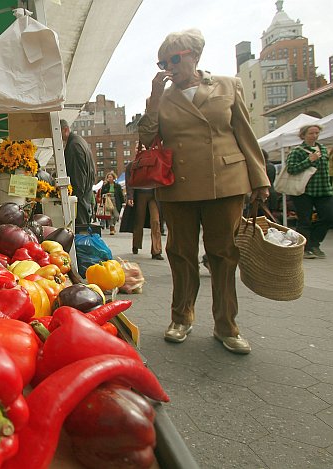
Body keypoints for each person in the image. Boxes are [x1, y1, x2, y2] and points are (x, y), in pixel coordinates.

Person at [139, 29, 269, 354]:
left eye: (175, 58)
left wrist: (260, 179)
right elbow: (146, 137)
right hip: (177, 185)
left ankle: (227, 325)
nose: (169, 65)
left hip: (225, 181)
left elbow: (245, 133)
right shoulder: (162, 98)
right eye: (163, 61)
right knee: (180, 254)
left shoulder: (228, 85)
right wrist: (154, 98)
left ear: (194, 55)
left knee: (224, 255)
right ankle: (180, 318)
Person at [285, 124, 333, 259]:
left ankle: (314, 243)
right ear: (303, 135)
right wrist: (309, 160)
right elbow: (291, 169)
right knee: (304, 221)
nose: (314, 136)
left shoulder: (323, 148)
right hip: (303, 191)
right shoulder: (297, 151)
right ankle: (305, 249)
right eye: (311, 133)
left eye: (317, 133)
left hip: (323, 190)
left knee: (329, 216)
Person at [122, 161, 164, 259]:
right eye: (138, 147)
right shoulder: (132, 165)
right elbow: (129, 183)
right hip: (139, 194)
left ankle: (156, 250)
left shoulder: (154, 162)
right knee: (138, 221)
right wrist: (130, 197)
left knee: (156, 221)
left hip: (154, 195)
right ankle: (136, 244)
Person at [60, 119, 96, 230]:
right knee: (83, 232)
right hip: (84, 196)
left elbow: (78, 175)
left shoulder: (74, 145)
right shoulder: (78, 142)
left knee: (81, 232)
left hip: (80, 199)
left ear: (65, 130)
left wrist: (75, 196)